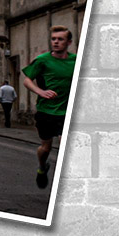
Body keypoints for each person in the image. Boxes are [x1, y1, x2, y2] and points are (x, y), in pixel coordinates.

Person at [22, 25, 77, 189]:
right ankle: (42, 167)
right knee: (45, 148)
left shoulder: (76, 60)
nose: (56, 42)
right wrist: (41, 92)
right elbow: (27, 80)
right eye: (53, 39)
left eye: (60, 39)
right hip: (46, 111)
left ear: (69, 42)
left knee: (64, 142)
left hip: (67, 111)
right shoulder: (42, 60)